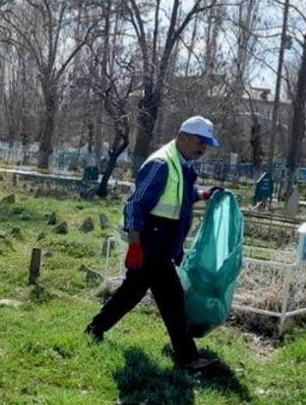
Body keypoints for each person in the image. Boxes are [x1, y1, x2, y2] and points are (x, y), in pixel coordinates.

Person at [85, 115, 222, 370]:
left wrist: (202, 194)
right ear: (182, 136)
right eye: (199, 141)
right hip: (151, 238)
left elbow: (178, 196)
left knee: (142, 293)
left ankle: (95, 329)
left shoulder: (180, 163)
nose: (203, 148)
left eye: (207, 144)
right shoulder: (161, 163)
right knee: (166, 297)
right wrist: (136, 244)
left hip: (162, 240)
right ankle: (186, 357)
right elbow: (136, 204)